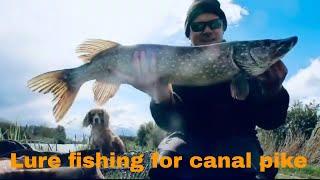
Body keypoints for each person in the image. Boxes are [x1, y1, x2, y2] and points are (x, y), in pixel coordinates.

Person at [130, 0, 289, 178]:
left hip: (239, 139)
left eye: (214, 24)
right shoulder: (176, 67)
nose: (207, 30)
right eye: (198, 26)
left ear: (222, 28)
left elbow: (270, 122)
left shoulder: (249, 68)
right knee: (166, 165)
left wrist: (274, 90)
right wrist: (161, 96)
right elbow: (169, 123)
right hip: (187, 138)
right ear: (189, 34)